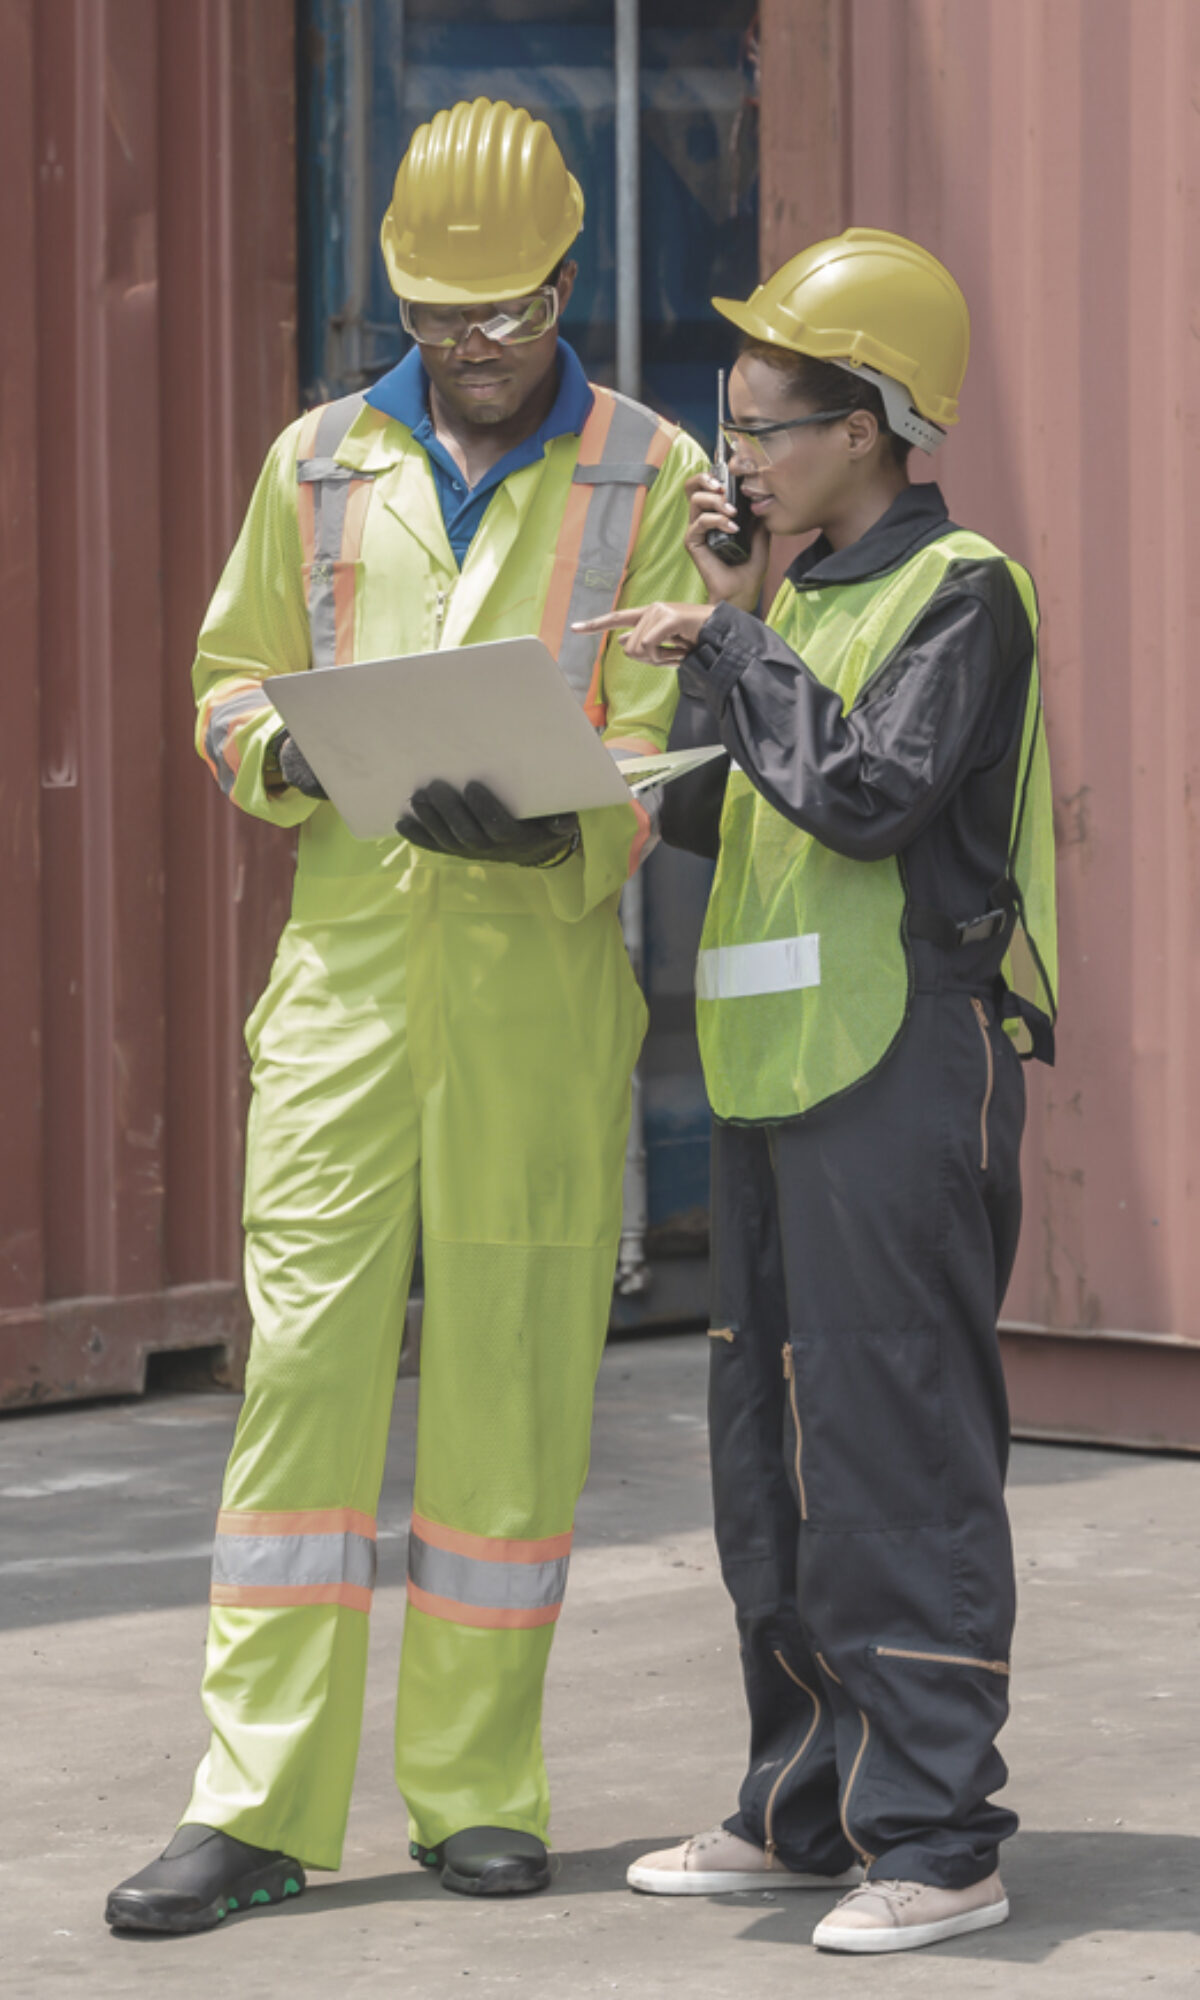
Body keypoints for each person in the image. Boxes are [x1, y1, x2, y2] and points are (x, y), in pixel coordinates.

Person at [105, 97, 707, 1935]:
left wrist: (572, 824)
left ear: (565, 280)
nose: (473, 343)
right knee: (299, 1385)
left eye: (503, 310)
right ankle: (254, 1809)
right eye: (441, 314)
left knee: (514, 1386)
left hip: (538, 989)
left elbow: (672, 735)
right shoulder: (314, 463)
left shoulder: (650, 473)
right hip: (349, 988)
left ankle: (479, 1793)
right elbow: (225, 684)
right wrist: (293, 754)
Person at [575, 227, 1057, 1956]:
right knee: (771, 1454)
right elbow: (743, 809)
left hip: (907, 1066)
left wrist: (731, 636)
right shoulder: (804, 603)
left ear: (867, 427)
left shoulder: (964, 594)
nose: (739, 459)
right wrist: (689, 678)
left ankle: (937, 1836)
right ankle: (804, 1802)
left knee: (895, 1445)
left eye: (764, 428)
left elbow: (866, 796)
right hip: (781, 1075)